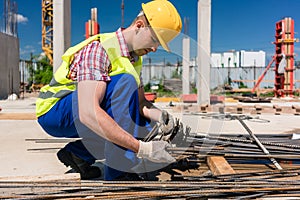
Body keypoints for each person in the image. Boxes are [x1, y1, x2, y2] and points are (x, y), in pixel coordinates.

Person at [36, 0, 182, 181]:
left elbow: (141, 102)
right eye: (154, 40)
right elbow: (88, 113)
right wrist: (142, 148)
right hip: (55, 111)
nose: (154, 48)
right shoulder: (100, 49)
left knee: (145, 124)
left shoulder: (134, 59)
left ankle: (79, 155)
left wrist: (162, 118)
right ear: (139, 25)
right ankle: (119, 172)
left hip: (80, 108)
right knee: (125, 85)